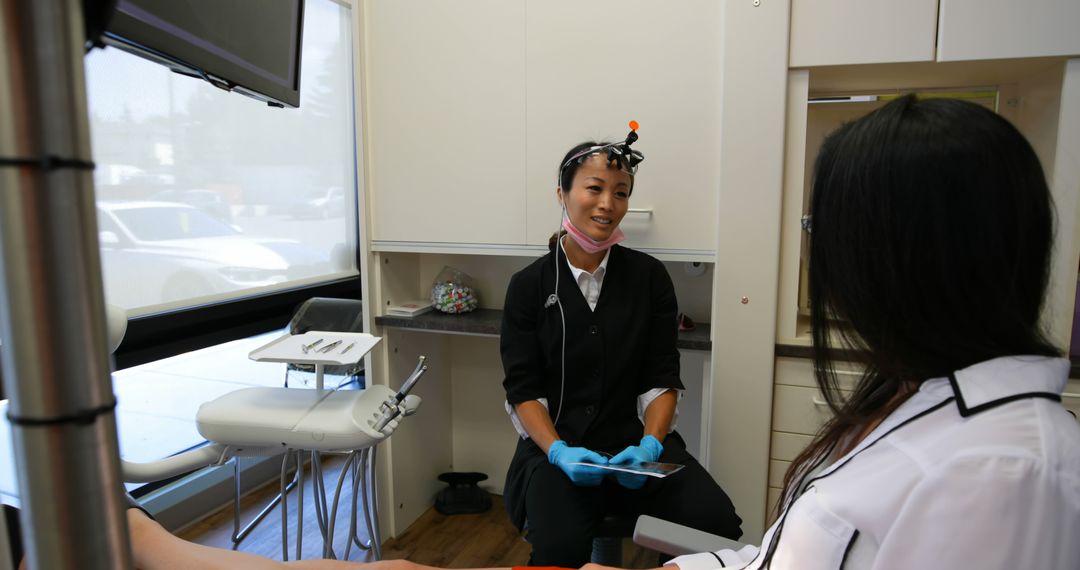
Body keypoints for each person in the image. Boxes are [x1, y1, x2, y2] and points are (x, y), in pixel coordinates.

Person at [592, 95, 1079, 569]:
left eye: (819, 228)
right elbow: (786, 556)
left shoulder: (1005, 475)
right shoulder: (917, 394)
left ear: (903, 252)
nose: (816, 252)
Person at [499, 124, 742, 568]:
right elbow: (523, 390)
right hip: (557, 452)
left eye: (621, 192)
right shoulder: (529, 287)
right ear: (562, 194)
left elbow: (661, 377)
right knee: (557, 551)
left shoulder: (649, 279)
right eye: (595, 188)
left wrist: (651, 445)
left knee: (718, 524)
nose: (608, 204)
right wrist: (557, 450)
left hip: (634, 447)